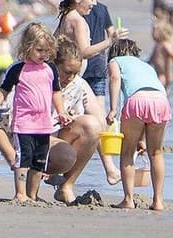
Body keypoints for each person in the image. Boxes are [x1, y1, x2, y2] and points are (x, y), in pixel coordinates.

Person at [0, 22, 68, 203]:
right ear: (28, 47)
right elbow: (4, 89)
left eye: (47, 51)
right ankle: (20, 194)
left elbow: (56, 92)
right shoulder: (18, 69)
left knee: (39, 161)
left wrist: (61, 111)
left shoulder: (50, 69)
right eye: (39, 50)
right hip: (23, 123)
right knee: (23, 159)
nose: (43, 55)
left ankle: (32, 195)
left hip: (43, 124)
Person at [105, 37, 171, 211]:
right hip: (161, 100)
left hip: (137, 100)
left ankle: (128, 199)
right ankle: (158, 201)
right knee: (156, 152)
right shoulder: (146, 66)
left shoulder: (115, 61)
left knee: (127, 151)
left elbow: (114, 79)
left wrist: (113, 109)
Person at [48, 37, 119, 198]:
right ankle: (30, 188)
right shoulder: (42, 78)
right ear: (54, 64)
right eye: (67, 72)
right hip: (37, 135)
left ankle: (66, 185)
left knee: (93, 126)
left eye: (75, 73)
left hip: (59, 135)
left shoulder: (77, 84)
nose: (71, 78)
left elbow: (93, 118)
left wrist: (72, 117)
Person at [55, 0, 122, 100]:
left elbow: (55, 40)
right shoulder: (78, 21)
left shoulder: (67, 15)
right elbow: (84, 52)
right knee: (96, 114)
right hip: (71, 79)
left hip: (65, 74)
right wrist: (110, 41)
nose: (95, 3)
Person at [148, 17, 173, 93]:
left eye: (154, 31)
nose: (152, 33)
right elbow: (152, 58)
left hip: (165, 74)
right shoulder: (157, 45)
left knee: (162, 91)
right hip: (158, 73)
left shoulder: (166, 45)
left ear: (162, 32)